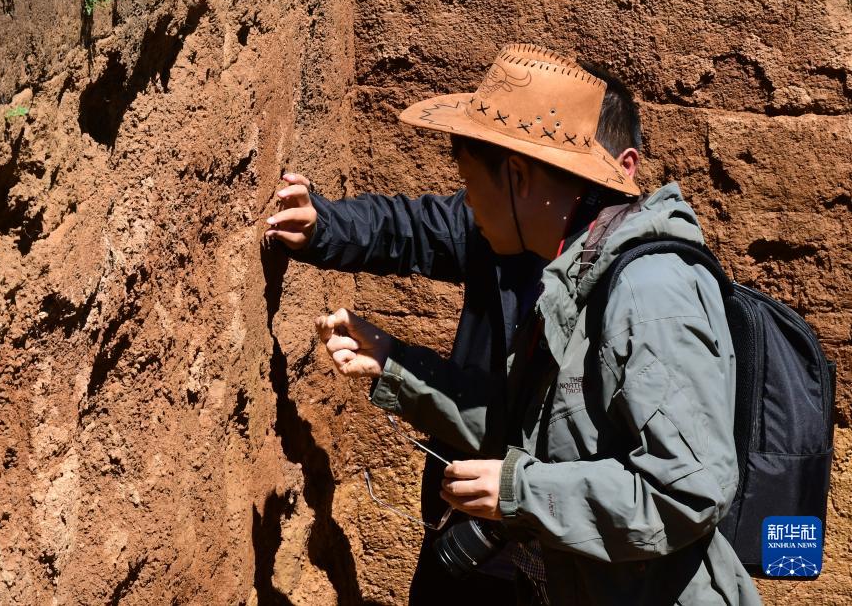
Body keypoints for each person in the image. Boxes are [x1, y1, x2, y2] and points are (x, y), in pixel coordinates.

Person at [308, 44, 761, 604]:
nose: (468, 207)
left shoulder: (652, 292)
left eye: (471, 185)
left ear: (519, 178)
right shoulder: (574, 277)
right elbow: (535, 431)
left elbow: (689, 489)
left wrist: (522, 490)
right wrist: (398, 366)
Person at [265, 44, 641, 602]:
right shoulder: (507, 227)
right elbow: (413, 227)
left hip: (564, 557)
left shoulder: (636, 289)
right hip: (473, 533)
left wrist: (399, 368)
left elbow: (583, 458)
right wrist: (325, 225)